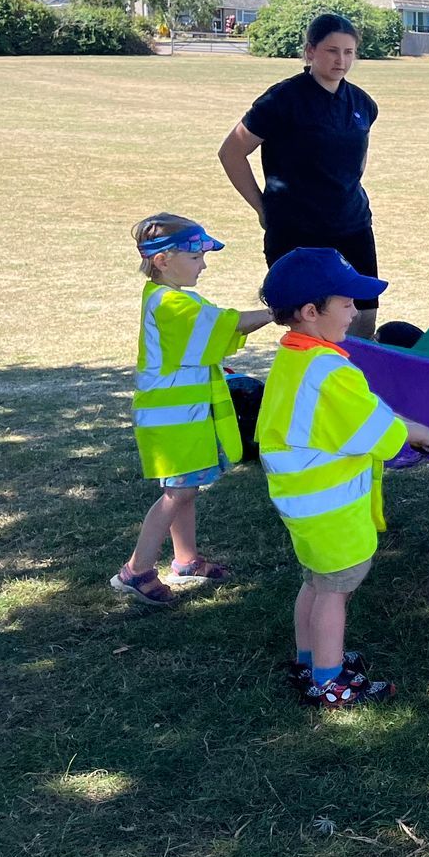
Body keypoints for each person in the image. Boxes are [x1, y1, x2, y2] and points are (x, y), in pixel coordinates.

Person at [257, 248, 429, 708]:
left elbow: (347, 415)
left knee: (316, 583)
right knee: (336, 590)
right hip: (330, 508)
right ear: (310, 312)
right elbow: (374, 432)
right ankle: (330, 680)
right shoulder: (328, 369)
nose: (355, 312)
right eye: (347, 304)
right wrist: (416, 431)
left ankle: (309, 658)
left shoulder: (296, 358)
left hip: (302, 505)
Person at [113, 215, 275, 604]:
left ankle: (185, 561)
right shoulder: (170, 303)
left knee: (186, 489)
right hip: (172, 421)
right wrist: (277, 313)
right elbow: (225, 325)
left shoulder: (174, 298)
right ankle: (136, 571)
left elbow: (217, 328)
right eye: (196, 256)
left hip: (185, 418)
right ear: (164, 260)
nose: (202, 264)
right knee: (176, 493)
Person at [219, 13, 384, 339]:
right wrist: (262, 209)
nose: (341, 60)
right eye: (332, 50)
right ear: (310, 52)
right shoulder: (282, 100)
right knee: (310, 325)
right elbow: (231, 152)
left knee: (361, 319)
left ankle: (354, 387)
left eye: (349, 52)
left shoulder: (363, 104)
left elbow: (357, 161)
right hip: (296, 233)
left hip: (352, 228)